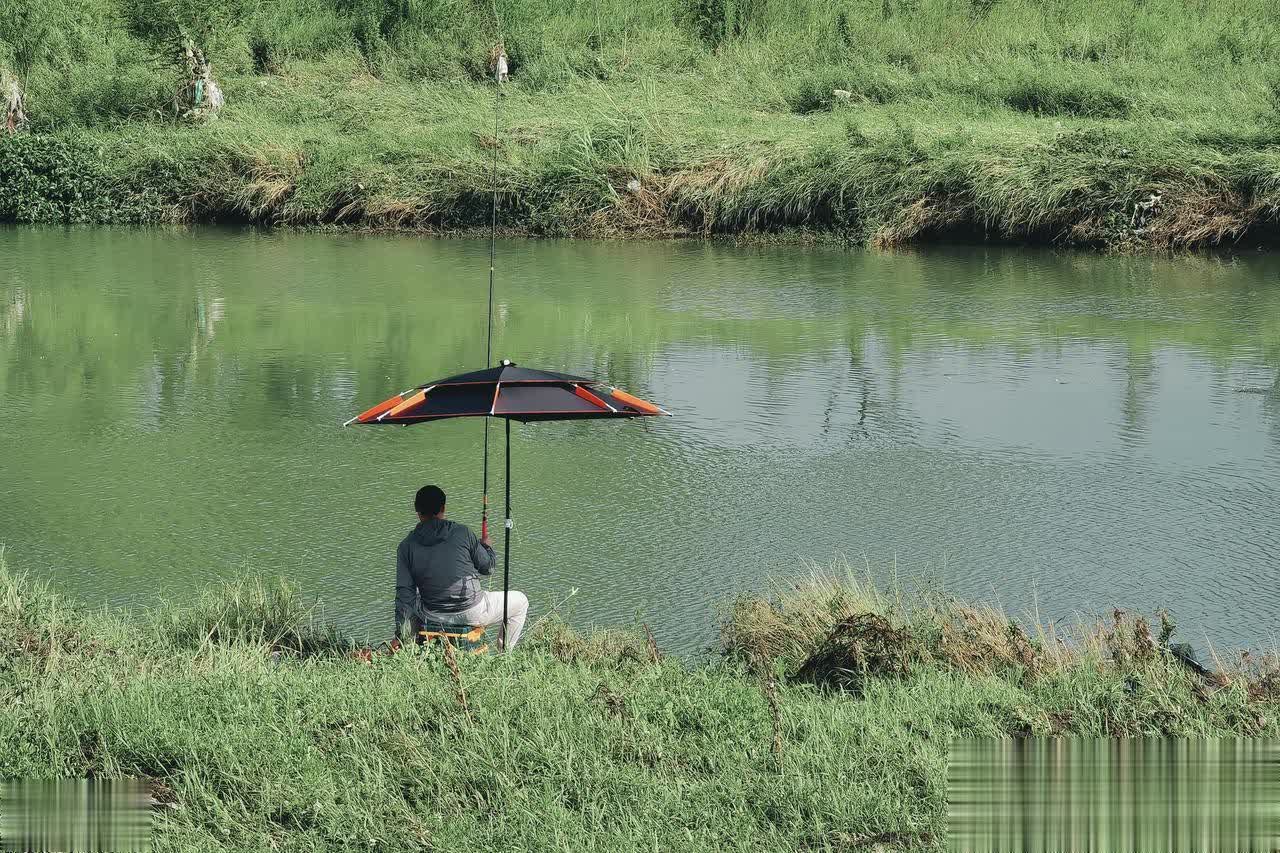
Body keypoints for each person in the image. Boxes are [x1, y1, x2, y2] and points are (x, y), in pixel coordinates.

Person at [395, 485, 529, 650]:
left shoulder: (406, 546)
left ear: (417, 510)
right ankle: (504, 654)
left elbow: (404, 594)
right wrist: (486, 547)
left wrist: (400, 634)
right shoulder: (463, 533)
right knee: (521, 601)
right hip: (472, 611)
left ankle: (413, 648)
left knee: (412, 599)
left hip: (432, 615)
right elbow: (487, 568)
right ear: (443, 508)